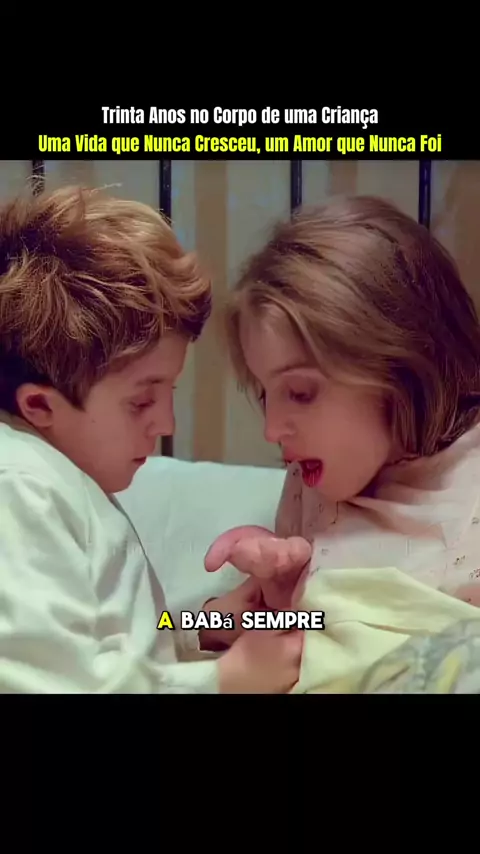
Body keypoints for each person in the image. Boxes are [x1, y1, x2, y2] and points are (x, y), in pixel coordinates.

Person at [0, 184, 303, 694]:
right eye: (141, 401)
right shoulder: (20, 487)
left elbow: (113, 643)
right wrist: (226, 680)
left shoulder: (59, 480)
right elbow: (54, 683)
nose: (166, 424)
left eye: (169, 393)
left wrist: (205, 625)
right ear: (40, 406)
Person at [204, 195, 480, 691]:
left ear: (401, 368)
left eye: (300, 392)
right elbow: (191, 627)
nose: (272, 430)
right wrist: (215, 617)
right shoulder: (307, 489)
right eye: (266, 394)